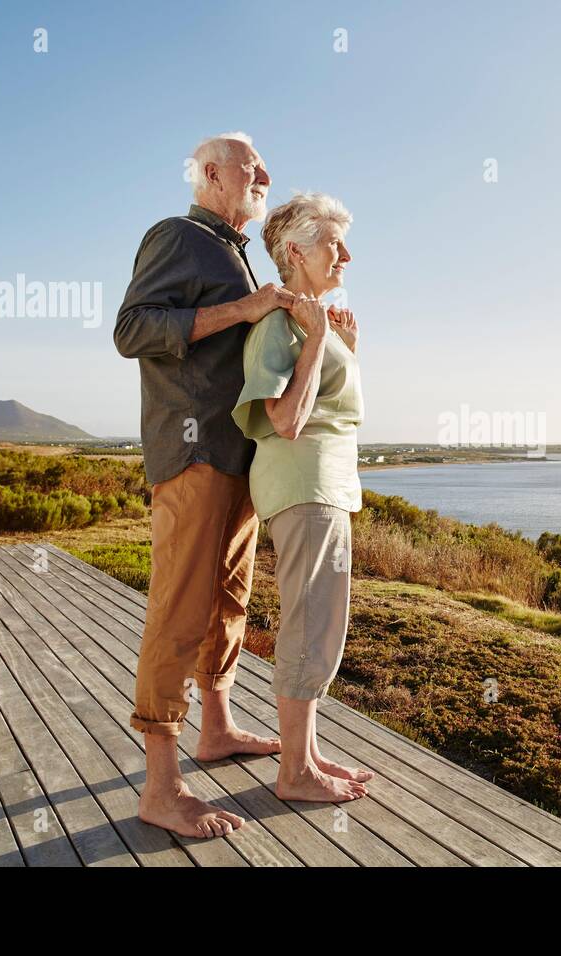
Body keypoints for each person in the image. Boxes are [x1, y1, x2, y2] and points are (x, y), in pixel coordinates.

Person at [114, 132, 296, 838]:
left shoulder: (235, 251)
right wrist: (243, 311)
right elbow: (132, 329)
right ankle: (161, 788)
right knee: (179, 611)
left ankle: (215, 730)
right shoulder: (179, 234)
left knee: (229, 600)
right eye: (254, 167)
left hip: (237, 457)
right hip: (191, 456)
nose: (266, 175)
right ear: (214, 174)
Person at [231, 191, 373, 802]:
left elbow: (329, 407)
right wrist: (318, 342)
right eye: (333, 243)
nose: (346, 254)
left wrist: (343, 347)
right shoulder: (278, 324)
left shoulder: (312, 319)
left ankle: (306, 753)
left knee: (323, 623)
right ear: (295, 251)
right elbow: (287, 420)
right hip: (303, 487)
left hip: (327, 486)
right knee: (311, 624)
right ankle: (294, 775)